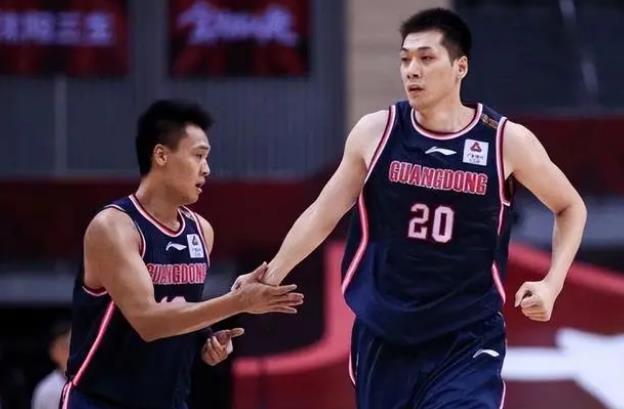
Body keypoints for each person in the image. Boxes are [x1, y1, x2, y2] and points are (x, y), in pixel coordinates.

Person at [234, 7, 586, 409]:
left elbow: (570, 206)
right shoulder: (376, 132)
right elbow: (322, 213)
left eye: (426, 58)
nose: (412, 70)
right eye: (405, 59)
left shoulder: (504, 141)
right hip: (384, 333)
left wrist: (552, 283)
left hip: (466, 337)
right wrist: (270, 276)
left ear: (460, 67)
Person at [61, 99, 303, 409]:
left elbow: (180, 308)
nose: (207, 169)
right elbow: (148, 321)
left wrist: (206, 339)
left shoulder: (201, 230)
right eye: (198, 155)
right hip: (101, 402)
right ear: (161, 155)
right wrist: (238, 302)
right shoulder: (113, 227)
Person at [32, 322, 71, 409]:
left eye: (72, 345)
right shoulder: (47, 390)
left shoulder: (89, 385)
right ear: (53, 352)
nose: (69, 351)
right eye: (64, 346)